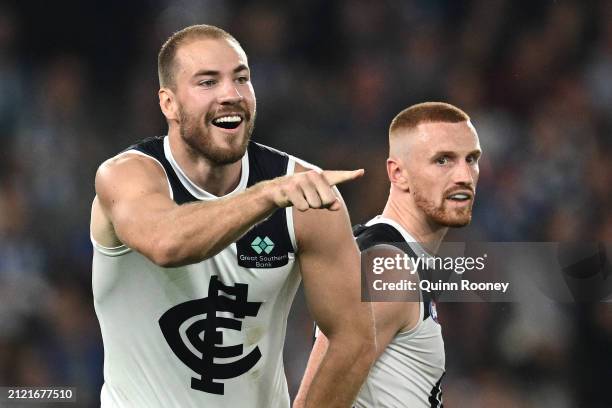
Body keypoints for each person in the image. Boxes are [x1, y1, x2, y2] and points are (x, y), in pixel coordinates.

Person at [90, 24, 375, 408]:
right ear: (168, 103)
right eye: (207, 83)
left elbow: (354, 337)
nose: (231, 94)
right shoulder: (125, 176)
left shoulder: (305, 194)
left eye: (241, 78)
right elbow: (166, 242)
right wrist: (266, 196)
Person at [295, 102, 482, 408]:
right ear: (398, 173)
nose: (464, 175)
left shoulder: (390, 254)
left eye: (471, 159)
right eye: (443, 160)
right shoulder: (389, 267)